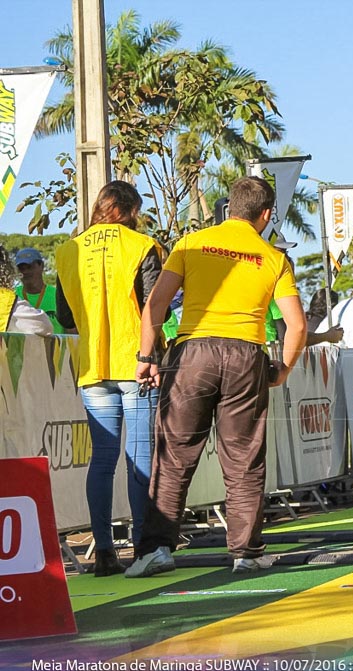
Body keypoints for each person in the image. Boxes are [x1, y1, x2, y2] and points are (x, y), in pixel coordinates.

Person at [126, 176, 307, 577]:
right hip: (246, 354)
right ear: (266, 215)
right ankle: (246, 552)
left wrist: (145, 355)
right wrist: (282, 369)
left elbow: (155, 305)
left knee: (173, 454)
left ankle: (156, 549)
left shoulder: (191, 243)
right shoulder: (274, 257)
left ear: (228, 206)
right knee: (243, 457)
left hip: (192, 351)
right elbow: (296, 326)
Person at [53, 181, 160, 576]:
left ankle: (104, 553)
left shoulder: (67, 251)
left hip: (92, 367)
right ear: (131, 210)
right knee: (140, 458)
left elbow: (65, 318)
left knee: (102, 460)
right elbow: (155, 308)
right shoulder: (141, 246)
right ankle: (145, 549)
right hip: (137, 363)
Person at [15, 247, 68, 334]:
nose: (25, 272)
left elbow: (72, 332)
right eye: (21, 268)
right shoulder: (12, 296)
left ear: (41, 266)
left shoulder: (58, 296)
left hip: (54, 347)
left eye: (29, 267)